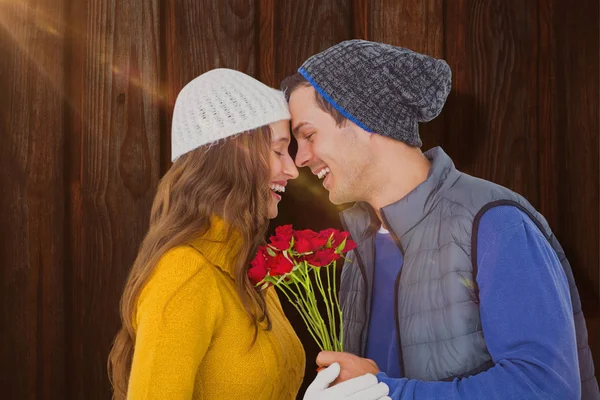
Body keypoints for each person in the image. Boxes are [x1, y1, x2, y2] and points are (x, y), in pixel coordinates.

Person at [282, 39, 599, 399]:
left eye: (308, 135)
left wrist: (387, 393)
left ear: (363, 118)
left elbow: (545, 388)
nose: (300, 159)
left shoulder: (495, 224)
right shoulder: (361, 246)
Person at [107, 68, 390, 400]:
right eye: (278, 150)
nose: (291, 170)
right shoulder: (184, 273)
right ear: (232, 155)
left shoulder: (251, 273)